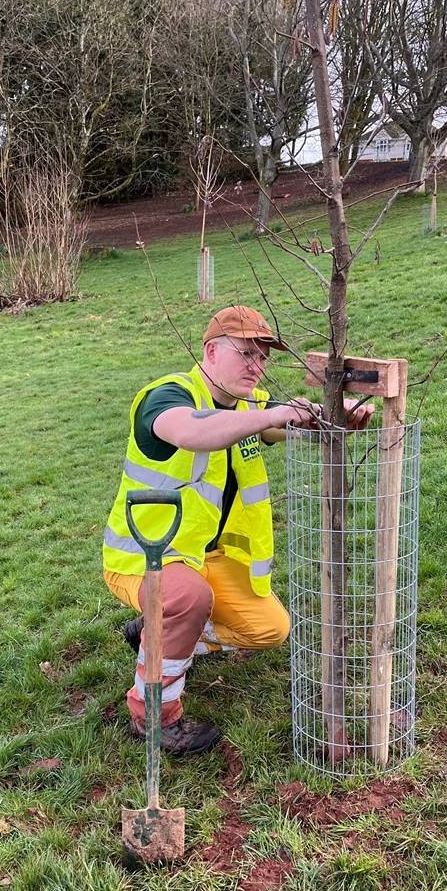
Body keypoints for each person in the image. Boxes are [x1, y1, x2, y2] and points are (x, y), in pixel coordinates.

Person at [102, 305, 374, 756]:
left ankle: (155, 635)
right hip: (145, 555)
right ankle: (154, 716)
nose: (257, 365)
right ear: (211, 351)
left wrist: (340, 414)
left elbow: (292, 422)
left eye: (263, 358)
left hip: (205, 557)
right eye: (246, 353)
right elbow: (191, 430)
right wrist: (271, 416)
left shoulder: (249, 406)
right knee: (188, 599)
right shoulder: (167, 396)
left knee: (269, 629)